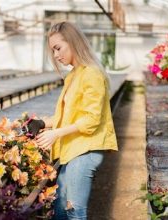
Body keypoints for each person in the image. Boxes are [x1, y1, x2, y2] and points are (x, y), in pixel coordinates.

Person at [27, 21, 118, 219]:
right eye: (53, 51)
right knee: (60, 211)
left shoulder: (91, 73)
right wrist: (42, 123)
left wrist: (56, 134)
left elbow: (91, 119)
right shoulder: (73, 75)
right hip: (73, 150)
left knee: (74, 211)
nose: (56, 55)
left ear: (73, 41)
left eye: (58, 48)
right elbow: (67, 116)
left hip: (86, 150)